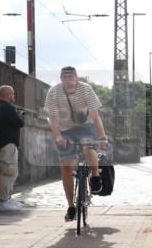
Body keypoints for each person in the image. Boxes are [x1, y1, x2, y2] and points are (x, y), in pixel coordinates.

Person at [45, 67, 108, 222]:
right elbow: (52, 117)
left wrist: (102, 137)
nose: (69, 79)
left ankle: (95, 176)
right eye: (65, 77)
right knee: (66, 167)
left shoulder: (86, 89)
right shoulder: (54, 92)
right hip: (64, 128)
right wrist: (58, 136)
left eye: (71, 76)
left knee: (88, 145)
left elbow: (95, 115)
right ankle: (71, 206)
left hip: (85, 125)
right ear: (61, 79)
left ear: (77, 78)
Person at [0, 85, 24, 212]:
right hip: (6, 145)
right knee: (9, 173)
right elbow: (20, 123)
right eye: (12, 94)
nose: (14, 96)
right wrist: (21, 115)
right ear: (7, 95)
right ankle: (4, 201)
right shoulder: (7, 108)